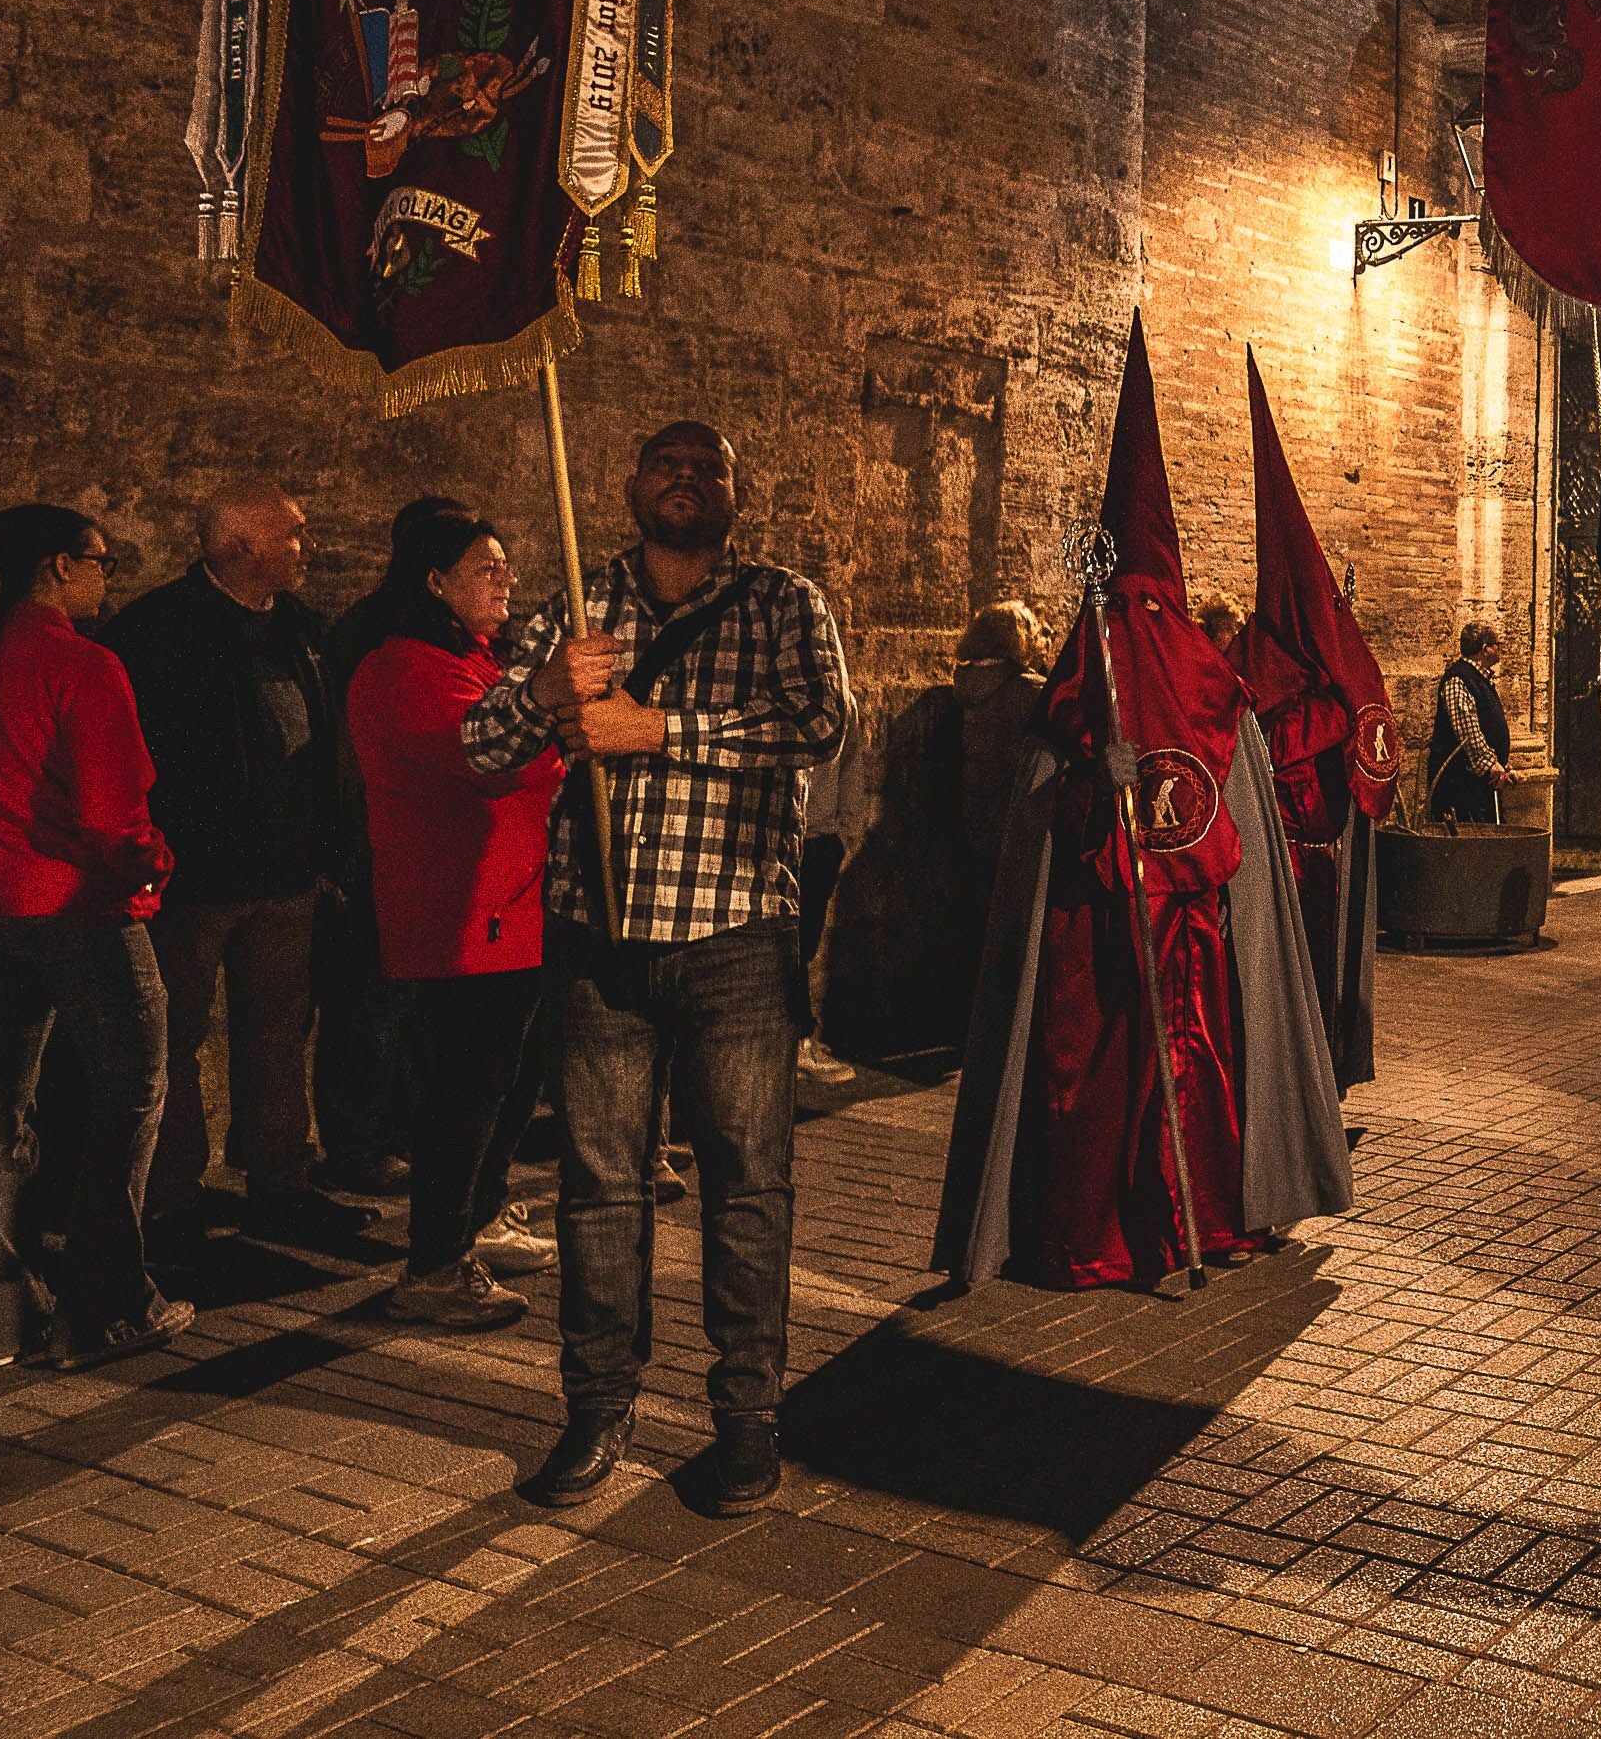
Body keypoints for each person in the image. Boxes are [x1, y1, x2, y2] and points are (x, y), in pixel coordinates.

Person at [464, 421, 855, 1515]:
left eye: (708, 466)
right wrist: (545, 694)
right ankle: (596, 1411)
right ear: (629, 484)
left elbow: (818, 723)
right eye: (665, 464)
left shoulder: (785, 602)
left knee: (746, 1189)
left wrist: (660, 730)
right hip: (600, 944)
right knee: (598, 1190)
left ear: (736, 490)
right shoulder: (579, 609)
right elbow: (480, 746)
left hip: (735, 940)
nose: (684, 479)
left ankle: (744, 1423)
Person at [937, 319, 1351, 1295]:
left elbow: (1232, 811)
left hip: (1186, 937)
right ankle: (1093, 1234)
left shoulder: (1199, 682)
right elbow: (1040, 825)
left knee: (1195, 1081)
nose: (1143, 625)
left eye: (1151, 605)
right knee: (1092, 1088)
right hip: (1092, 929)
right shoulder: (1085, 682)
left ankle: (1200, 1219)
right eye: (1126, 606)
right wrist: (1090, 772)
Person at [0, 507, 187, 1373]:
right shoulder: (83, 667)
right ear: (58, 568)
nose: (108, 578)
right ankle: (109, 1306)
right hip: (77, 908)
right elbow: (110, 810)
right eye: (101, 562)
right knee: (130, 1091)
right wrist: (150, 869)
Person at [98, 479, 338, 1228]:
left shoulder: (298, 626)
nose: (308, 546)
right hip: (195, 877)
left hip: (285, 872)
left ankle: (280, 1178)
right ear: (242, 547)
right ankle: (169, 1195)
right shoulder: (156, 631)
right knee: (176, 1037)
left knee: (278, 1032)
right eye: (294, 532)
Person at [347, 512, 565, 1331]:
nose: (505, 579)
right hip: (462, 909)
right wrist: (550, 730)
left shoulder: (473, 662)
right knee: (464, 1091)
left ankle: (477, 1218)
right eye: (485, 567)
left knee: (505, 1081)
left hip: (509, 905)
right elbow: (491, 762)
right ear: (433, 582)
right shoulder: (410, 668)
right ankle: (434, 1262)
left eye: (507, 565)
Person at [1234, 353, 1396, 1093]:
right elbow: (1279, 747)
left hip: (1310, 860)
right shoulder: (1276, 688)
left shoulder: (1281, 679)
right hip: (1286, 862)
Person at [310, 494, 481, 1198]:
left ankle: (405, 1130)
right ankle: (359, 1142)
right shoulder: (379, 632)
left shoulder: (450, 631)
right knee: (373, 1003)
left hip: (429, 843)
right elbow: (350, 746)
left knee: (416, 1006)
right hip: (380, 840)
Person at [821, 600, 1047, 1061]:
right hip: (1015, 836)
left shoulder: (957, 691)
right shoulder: (1029, 694)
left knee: (976, 937)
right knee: (1017, 942)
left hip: (967, 834)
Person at [1429, 623, 1512, 825]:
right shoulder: (1459, 679)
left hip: (1479, 781)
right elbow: (1468, 732)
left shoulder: (1479, 679)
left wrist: (1500, 762)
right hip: (1460, 784)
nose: (1500, 649)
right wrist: (1491, 764)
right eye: (1497, 645)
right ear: (1485, 649)